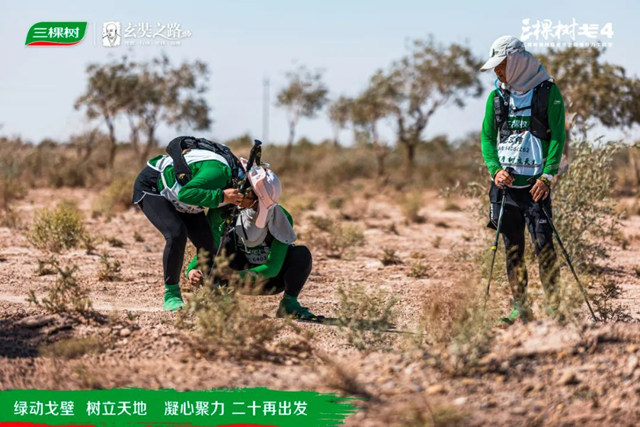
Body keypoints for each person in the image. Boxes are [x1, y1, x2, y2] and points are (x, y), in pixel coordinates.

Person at [479, 35, 566, 323]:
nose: (497, 72)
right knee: (512, 249)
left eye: (501, 65)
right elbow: (488, 137)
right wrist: (495, 169)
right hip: (506, 188)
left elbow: (558, 136)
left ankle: (554, 307)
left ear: (515, 61)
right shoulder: (497, 97)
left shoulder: (547, 92)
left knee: (544, 246)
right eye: (495, 67)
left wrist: (548, 175)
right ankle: (520, 308)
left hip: (536, 188)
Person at [185, 164, 320, 321]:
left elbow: (273, 267)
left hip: (269, 281)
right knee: (226, 244)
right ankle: (224, 304)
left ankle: (289, 304)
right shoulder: (229, 210)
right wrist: (192, 269)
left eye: (247, 192)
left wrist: (236, 276)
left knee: (301, 254)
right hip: (235, 276)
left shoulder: (281, 218)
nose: (240, 192)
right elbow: (211, 242)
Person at [132, 137, 245, 311]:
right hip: (155, 187)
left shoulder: (234, 193)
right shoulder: (220, 174)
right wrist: (223, 197)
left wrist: (194, 269)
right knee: (176, 234)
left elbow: (213, 232)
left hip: (181, 196)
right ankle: (171, 295)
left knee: (207, 243)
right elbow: (186, 194)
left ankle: (214, 294)